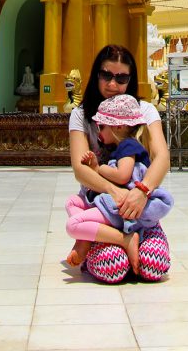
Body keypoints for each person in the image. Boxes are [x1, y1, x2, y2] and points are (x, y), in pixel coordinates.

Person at [67, 44, 171, 283]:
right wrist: (114, 191)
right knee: (112, 266)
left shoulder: (144, 110)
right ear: (96, 75)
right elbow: (80, 168)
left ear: (131, 80)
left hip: (139, 205)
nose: (113, 85)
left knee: (153, 266)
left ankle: (143, 236)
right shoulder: (81, 115)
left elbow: (162, 157)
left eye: (121, 78)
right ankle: (113, 241)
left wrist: (142, 191)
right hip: (103, 208)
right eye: (106, 75)